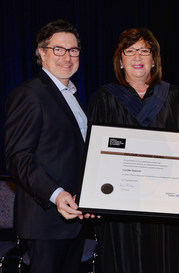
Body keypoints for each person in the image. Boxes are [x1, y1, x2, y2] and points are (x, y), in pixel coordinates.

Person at [87, 27, 179, 273]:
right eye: (130, 51)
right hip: (119, 207)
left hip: (164, 207)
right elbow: (93, 156)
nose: (137, 57)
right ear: (121, 60)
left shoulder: (174, 97)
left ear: (154, 60)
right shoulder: (103, 99)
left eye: (144, 51)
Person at [4, 19, 92, 273]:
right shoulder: (30, 94)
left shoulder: (71, 95)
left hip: (71, 217)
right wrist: (56, 194)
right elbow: (18, 158)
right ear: (42, 53)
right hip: (45, 219)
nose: (67, 57)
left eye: (73, 50)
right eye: (59, 49)